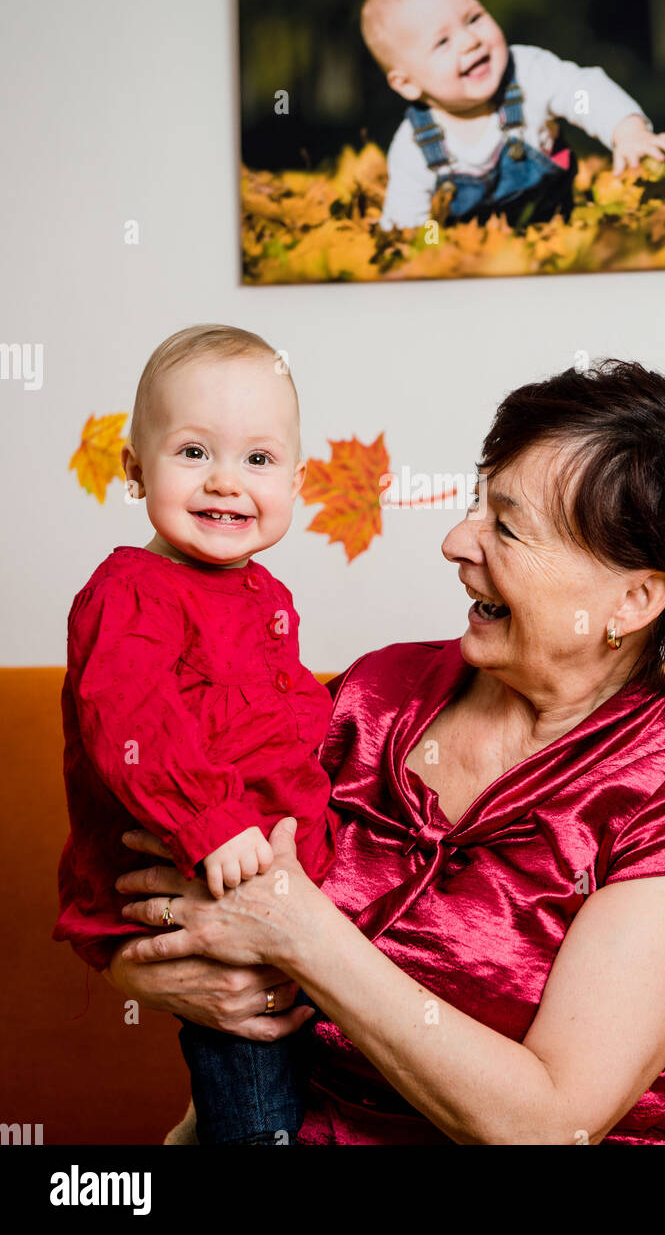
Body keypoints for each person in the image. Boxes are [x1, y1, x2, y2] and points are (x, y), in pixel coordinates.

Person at [104, 359, 665, 1146]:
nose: (455, 541)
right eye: (474, 506)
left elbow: (548, 1127)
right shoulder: (374, 691)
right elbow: (170, 858)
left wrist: (297, 930)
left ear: (632, 600)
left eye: (505, 525)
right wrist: (148, 970)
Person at [52, 324, 339, 1145]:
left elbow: (276, 717)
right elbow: (130, 722)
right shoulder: (130, 592)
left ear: (295, 477)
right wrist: (210, 821)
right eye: (191, 453)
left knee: (305, 1074)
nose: (226, 482)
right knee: (253, 1082)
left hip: (270, 886)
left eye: (258, 460)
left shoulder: (264, 591)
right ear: (134, 468)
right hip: (192, 880)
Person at [361, 0, 665, 231]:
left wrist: (625, 129)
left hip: (557, 231)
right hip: (476, 259)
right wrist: (427, 254)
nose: (470, 41)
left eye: (473, 19)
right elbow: (409, 222)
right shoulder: (414, 146)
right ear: (406, 84)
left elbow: (581, 91)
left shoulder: (527, 74)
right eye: (442, 42)